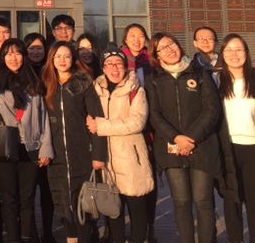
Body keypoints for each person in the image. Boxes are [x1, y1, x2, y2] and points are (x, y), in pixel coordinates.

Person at [145, 32, 220, 243]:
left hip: (201, 146)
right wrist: (176, 138)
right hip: (171, 148)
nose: (169, 49)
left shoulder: (199, 72)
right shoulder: (154, 79)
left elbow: (212, 109)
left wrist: (191, 138)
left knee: (203, 201)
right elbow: (154, 115)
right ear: (156, 55)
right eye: (162, 48)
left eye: (171, 44)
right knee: (181, 202)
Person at [0, 38, 53, 243]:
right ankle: (13, 237)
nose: (14, 58)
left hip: (30, 146)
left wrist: (46, 148)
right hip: (4, 146)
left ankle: (27, 237)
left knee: (27, 198)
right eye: (9, 54)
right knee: (8, 198)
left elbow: (43, 118)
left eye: (18, 53)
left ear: (24, 56)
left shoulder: (34, 83)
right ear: (2, 57)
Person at [216, 34, 255, 243]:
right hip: (228, 148)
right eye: (229, 50)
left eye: (239, 49)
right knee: (232, 202)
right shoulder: (216, 81)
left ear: (246, 53)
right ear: (222, 54)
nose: (234, 54)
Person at [41, 41, 106, 243]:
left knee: (84, 202)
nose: (62, 60)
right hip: (56, 154)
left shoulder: (83, 82)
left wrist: (98, 155)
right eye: (58, 56)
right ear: (51, 59)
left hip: (82, 153)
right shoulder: (45, 83)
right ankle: (71, 237)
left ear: (73, 58)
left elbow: (96, 118)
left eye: (67, 56)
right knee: (62, 201)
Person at [87, 48, 154, 243]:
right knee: (113, 211)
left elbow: (137, 122)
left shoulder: (136, 90)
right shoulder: (94, 90)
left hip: (131, 158)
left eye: (118, 64)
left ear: (126, 67)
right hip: (106, 159)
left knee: (137, 209)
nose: (114, 68)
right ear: (103, 67)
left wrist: (101, 126)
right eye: (109, 64)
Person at [118, 23, 156, 241]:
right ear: (125, 38)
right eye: (132, 35)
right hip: (123, 128)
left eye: (141, 35)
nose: (136, 39)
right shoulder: (116, 61)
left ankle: (149, 227)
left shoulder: (151, 62)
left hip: (150, 129)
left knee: (147, 178)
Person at [22, 32, 54, 242]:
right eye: (31, 48)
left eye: (39, 48)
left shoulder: (50, 72)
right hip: (31, 140)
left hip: (51, 135)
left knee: (48, 191)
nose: (36, 51)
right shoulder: (21, 73)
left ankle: (48, 232)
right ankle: (31, 232)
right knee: (29, 192)